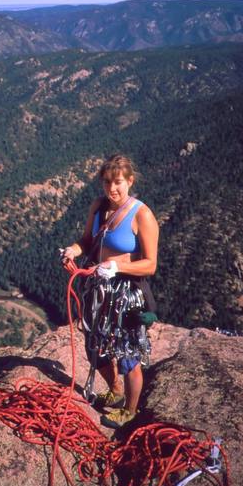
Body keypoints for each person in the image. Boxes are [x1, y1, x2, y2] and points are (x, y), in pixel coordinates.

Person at [62, 154, 159, 428]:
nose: (111, 189)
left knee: (128, 350)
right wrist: (73, 250)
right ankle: (115, 389)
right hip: (97, 288)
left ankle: (130, 410)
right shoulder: (98, 207)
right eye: (106, 183)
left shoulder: (142, 215)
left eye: (117, 182)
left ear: (130, 181)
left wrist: (116, 267)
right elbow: (86, 240)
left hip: (125, 292)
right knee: (94, 342)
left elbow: (150, 264)